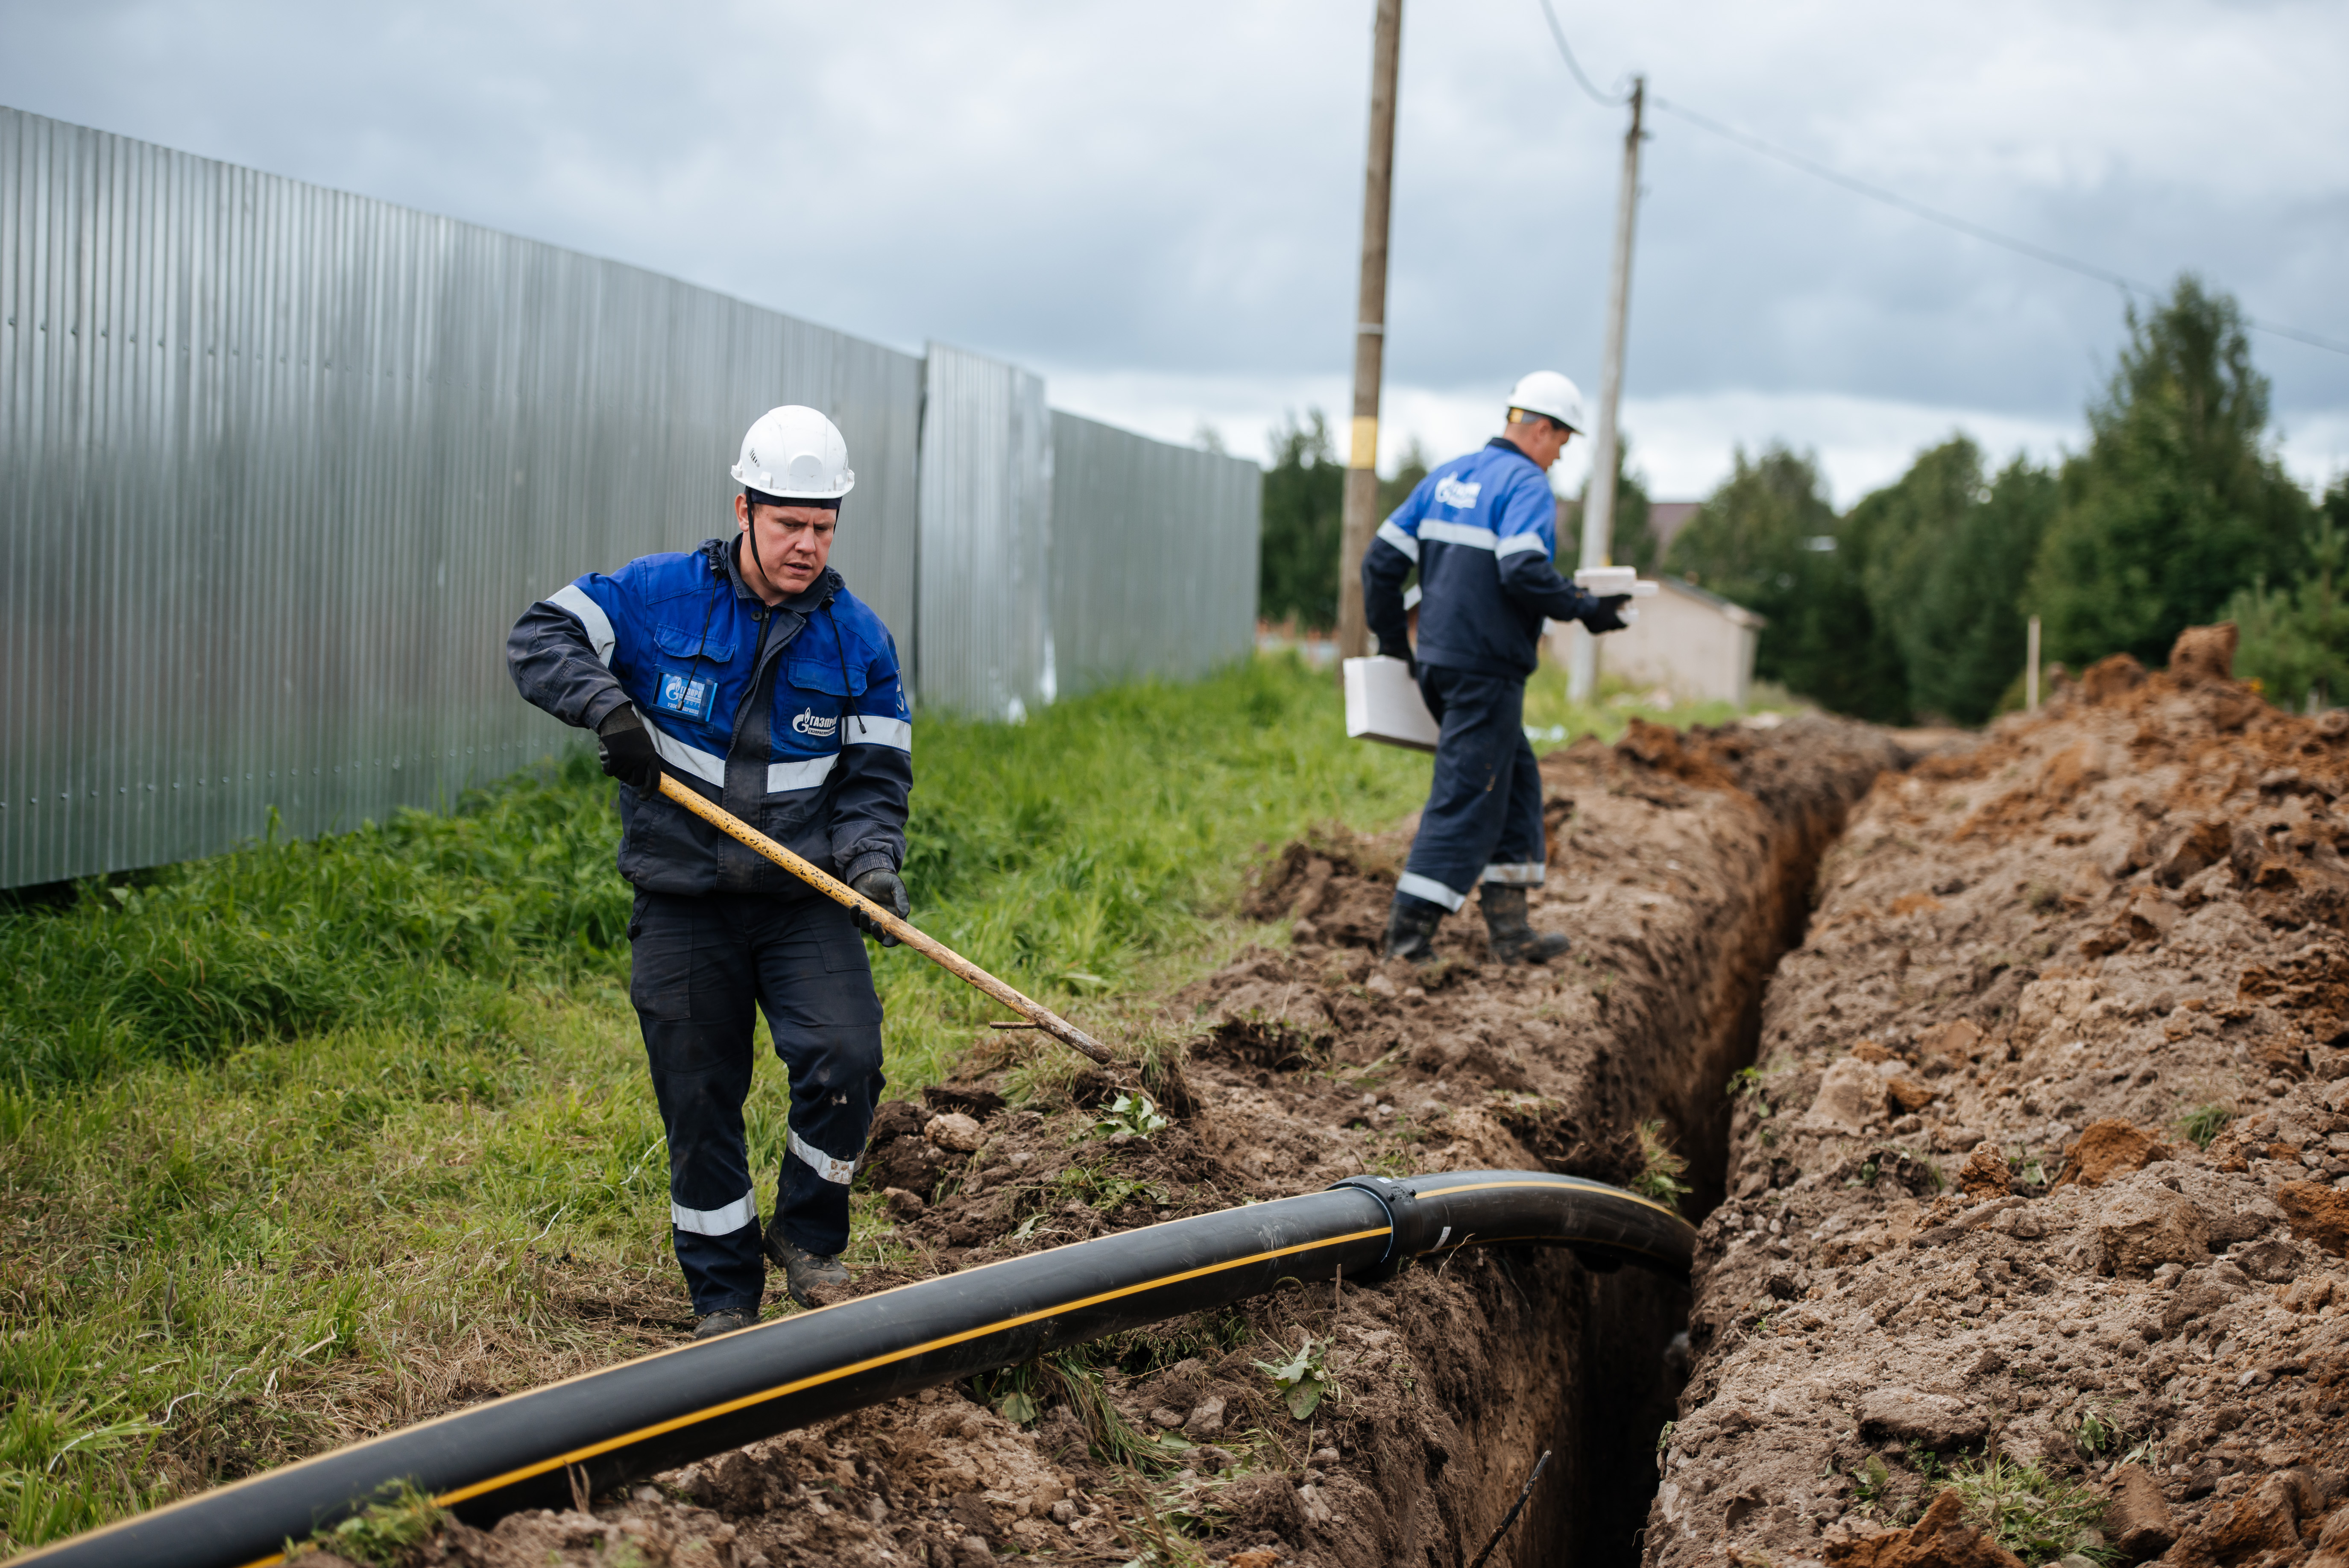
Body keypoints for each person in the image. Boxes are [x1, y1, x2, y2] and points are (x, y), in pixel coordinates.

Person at [507, 405, 912, 1337]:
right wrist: (607, 710)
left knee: (845, 1058)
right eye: (788, 525)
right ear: (744, 508)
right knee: (698, 1097)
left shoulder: (860, 643)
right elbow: (540, 638)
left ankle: (808, 1238)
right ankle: (723, 1297)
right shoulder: (655, 598)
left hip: (802, 899)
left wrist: (871, 868)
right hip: (683, 899)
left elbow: (873, 783)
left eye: (823, 527)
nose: (806, 545)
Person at [1361, 370, 1631, 966]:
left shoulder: (1447, 476)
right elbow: (1523, 571)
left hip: (1439, 664)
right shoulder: (1527, 486)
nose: (1561, 455)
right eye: (1563, 441)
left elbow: (1380, 563)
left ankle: (1511, 931)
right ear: (1541, 428)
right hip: (1485, 672)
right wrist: (1586, 609)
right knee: (1467, 797)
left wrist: (1393, 644)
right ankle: (1408, 943)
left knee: (1515, 784)